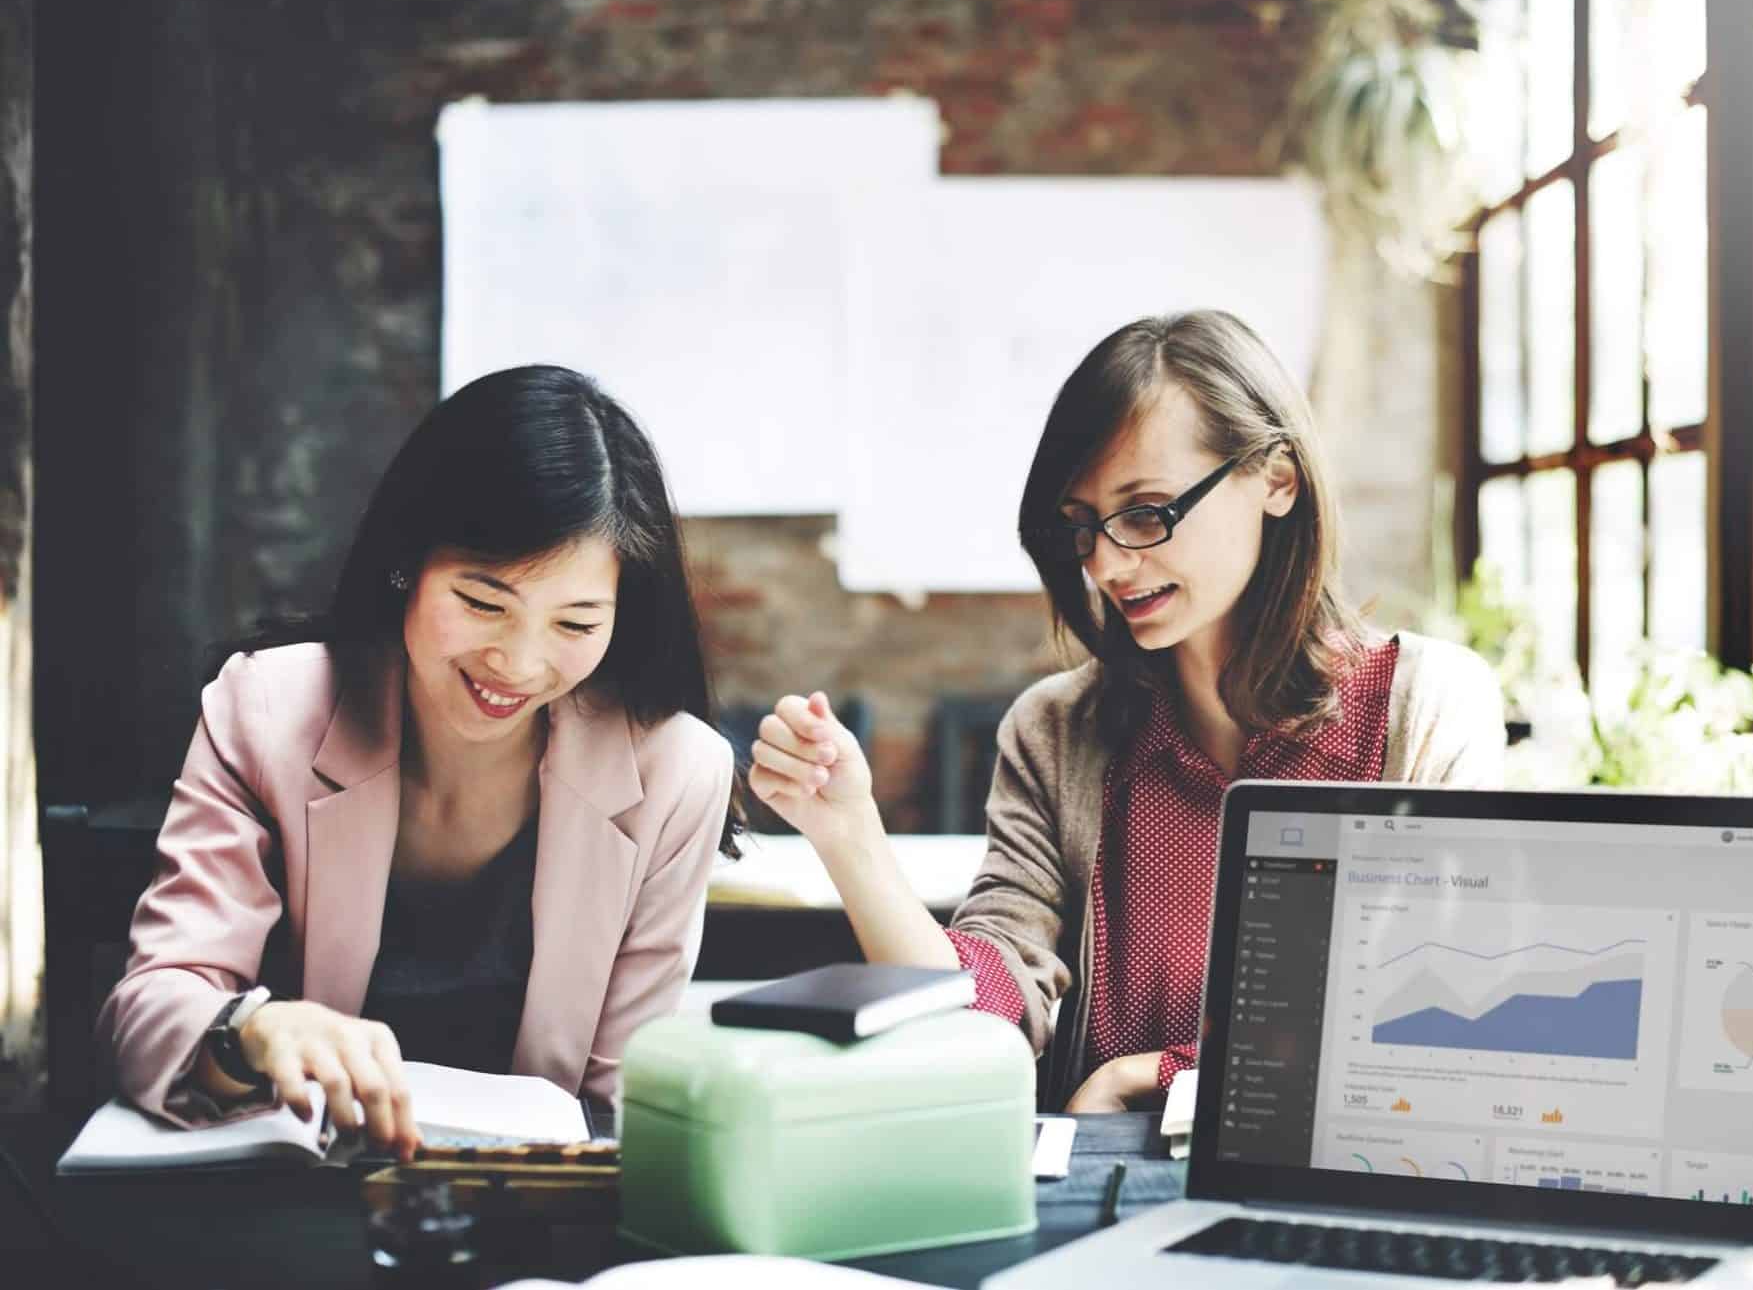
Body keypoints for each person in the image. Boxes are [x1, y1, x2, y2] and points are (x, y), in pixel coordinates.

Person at [750, 311, 1505, 1112]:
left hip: (1334, 1188)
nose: (1107, 563)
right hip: (1098, 1190)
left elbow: (1426, 1023)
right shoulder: (1055, 732)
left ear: (1277, 479)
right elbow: (983, 1015)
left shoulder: (1424, 708)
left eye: (1148, 513)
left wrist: (1150, 1076)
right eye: (1082, 526)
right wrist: (851, 837)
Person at [99, 365, 739, 1155]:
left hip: (529, 1218)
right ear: (408, 564)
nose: (518, 661)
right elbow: (149, 1007)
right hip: (287, 1204)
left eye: (574, 624)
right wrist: (251, 1030)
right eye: (482, 602)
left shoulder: (675, 772)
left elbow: (623, 1106)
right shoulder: (266, 710)